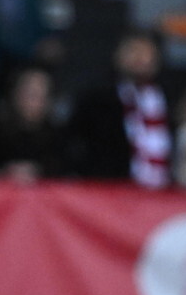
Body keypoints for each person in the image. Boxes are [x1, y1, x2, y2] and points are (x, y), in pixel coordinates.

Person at [66, 29, 177, 188]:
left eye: (146, 51)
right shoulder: (97, 99)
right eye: (132, 50)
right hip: (112, 191)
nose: (139, 58)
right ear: (117, 56)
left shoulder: (173, 97)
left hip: (165, 193)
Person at [0, 65, 66, 182]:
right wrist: (4, 171)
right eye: (29, 93)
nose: (33, 101)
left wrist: (38, 171)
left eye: (39, 95)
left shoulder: (59, 136)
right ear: (15, 94)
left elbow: (65, 171)